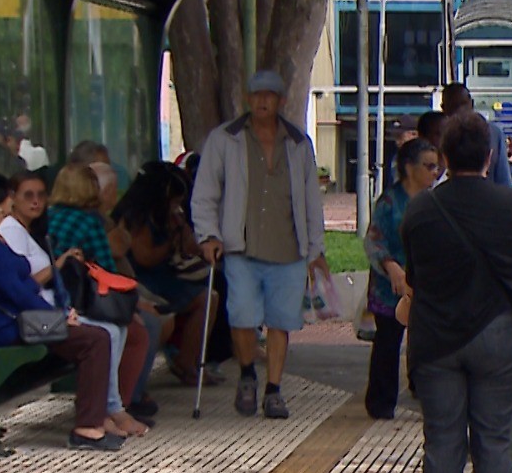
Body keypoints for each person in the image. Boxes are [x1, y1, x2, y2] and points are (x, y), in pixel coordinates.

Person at [401, 112, 512, 473]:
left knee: (441, 441)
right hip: (498, 334)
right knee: (493, 440)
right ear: (491, 155)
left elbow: (415, 276)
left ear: (441, 158)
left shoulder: (420, 209)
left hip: (436, 338)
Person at [192, 69, 329, 420]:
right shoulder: (225, 139)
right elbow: (205, 192)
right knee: (242, 316)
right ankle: (248, 375)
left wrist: (316, 248)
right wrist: (208, 235)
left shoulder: (299, 143)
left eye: (270, 95)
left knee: (281, 321)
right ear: (248, 99)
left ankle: (274, 389)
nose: (263, 101)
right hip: (242, 246)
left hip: (288, 247)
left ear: (281, 100)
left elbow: (311, 199)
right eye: (257, 95)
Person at [0, 172, 120, 450]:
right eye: (8, 195)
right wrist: (56, 317)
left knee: (93, 335)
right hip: (5, 327)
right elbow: (17, 292)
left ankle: (93, 420)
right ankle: (88, 427)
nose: (12, 200)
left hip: (18, 320)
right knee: (95, 339)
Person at [46, 163, 153, 437]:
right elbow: (106, 265)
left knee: (113, 333)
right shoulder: (90, 221)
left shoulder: (48, 217)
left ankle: (111, 408)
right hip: (82, 303)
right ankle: (112, 408)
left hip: (54, 298)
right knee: (116, 331)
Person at [112, 162, 219, 391]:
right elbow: (144, 257)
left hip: (167, 277)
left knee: (209, 297)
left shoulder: (170, 217)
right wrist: (171, 238)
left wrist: (188, 234)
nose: (176, 206)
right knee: (164, 315)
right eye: (173, 201)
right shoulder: (138, 217)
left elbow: (191, 247)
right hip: (144, 279)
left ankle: (188, 360)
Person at [363, 137, 438, 419]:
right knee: (387, 343)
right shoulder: (389, 202)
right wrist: (391, 266)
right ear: (409, 168)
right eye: (428, 166)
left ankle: (426, 393)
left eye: (437, 167)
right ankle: (381, 402)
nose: (434, 172)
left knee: (427, 344)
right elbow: (373, 241)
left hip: (426, 284)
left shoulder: (435, 202)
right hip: (390, 286)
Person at [441, 83, 512, 185]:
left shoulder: (494, 133)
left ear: (472, 103)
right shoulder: (440, 134)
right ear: (444, 108)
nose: (461, 110)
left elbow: (503, 180)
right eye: (454, 106)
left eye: (463, 104)